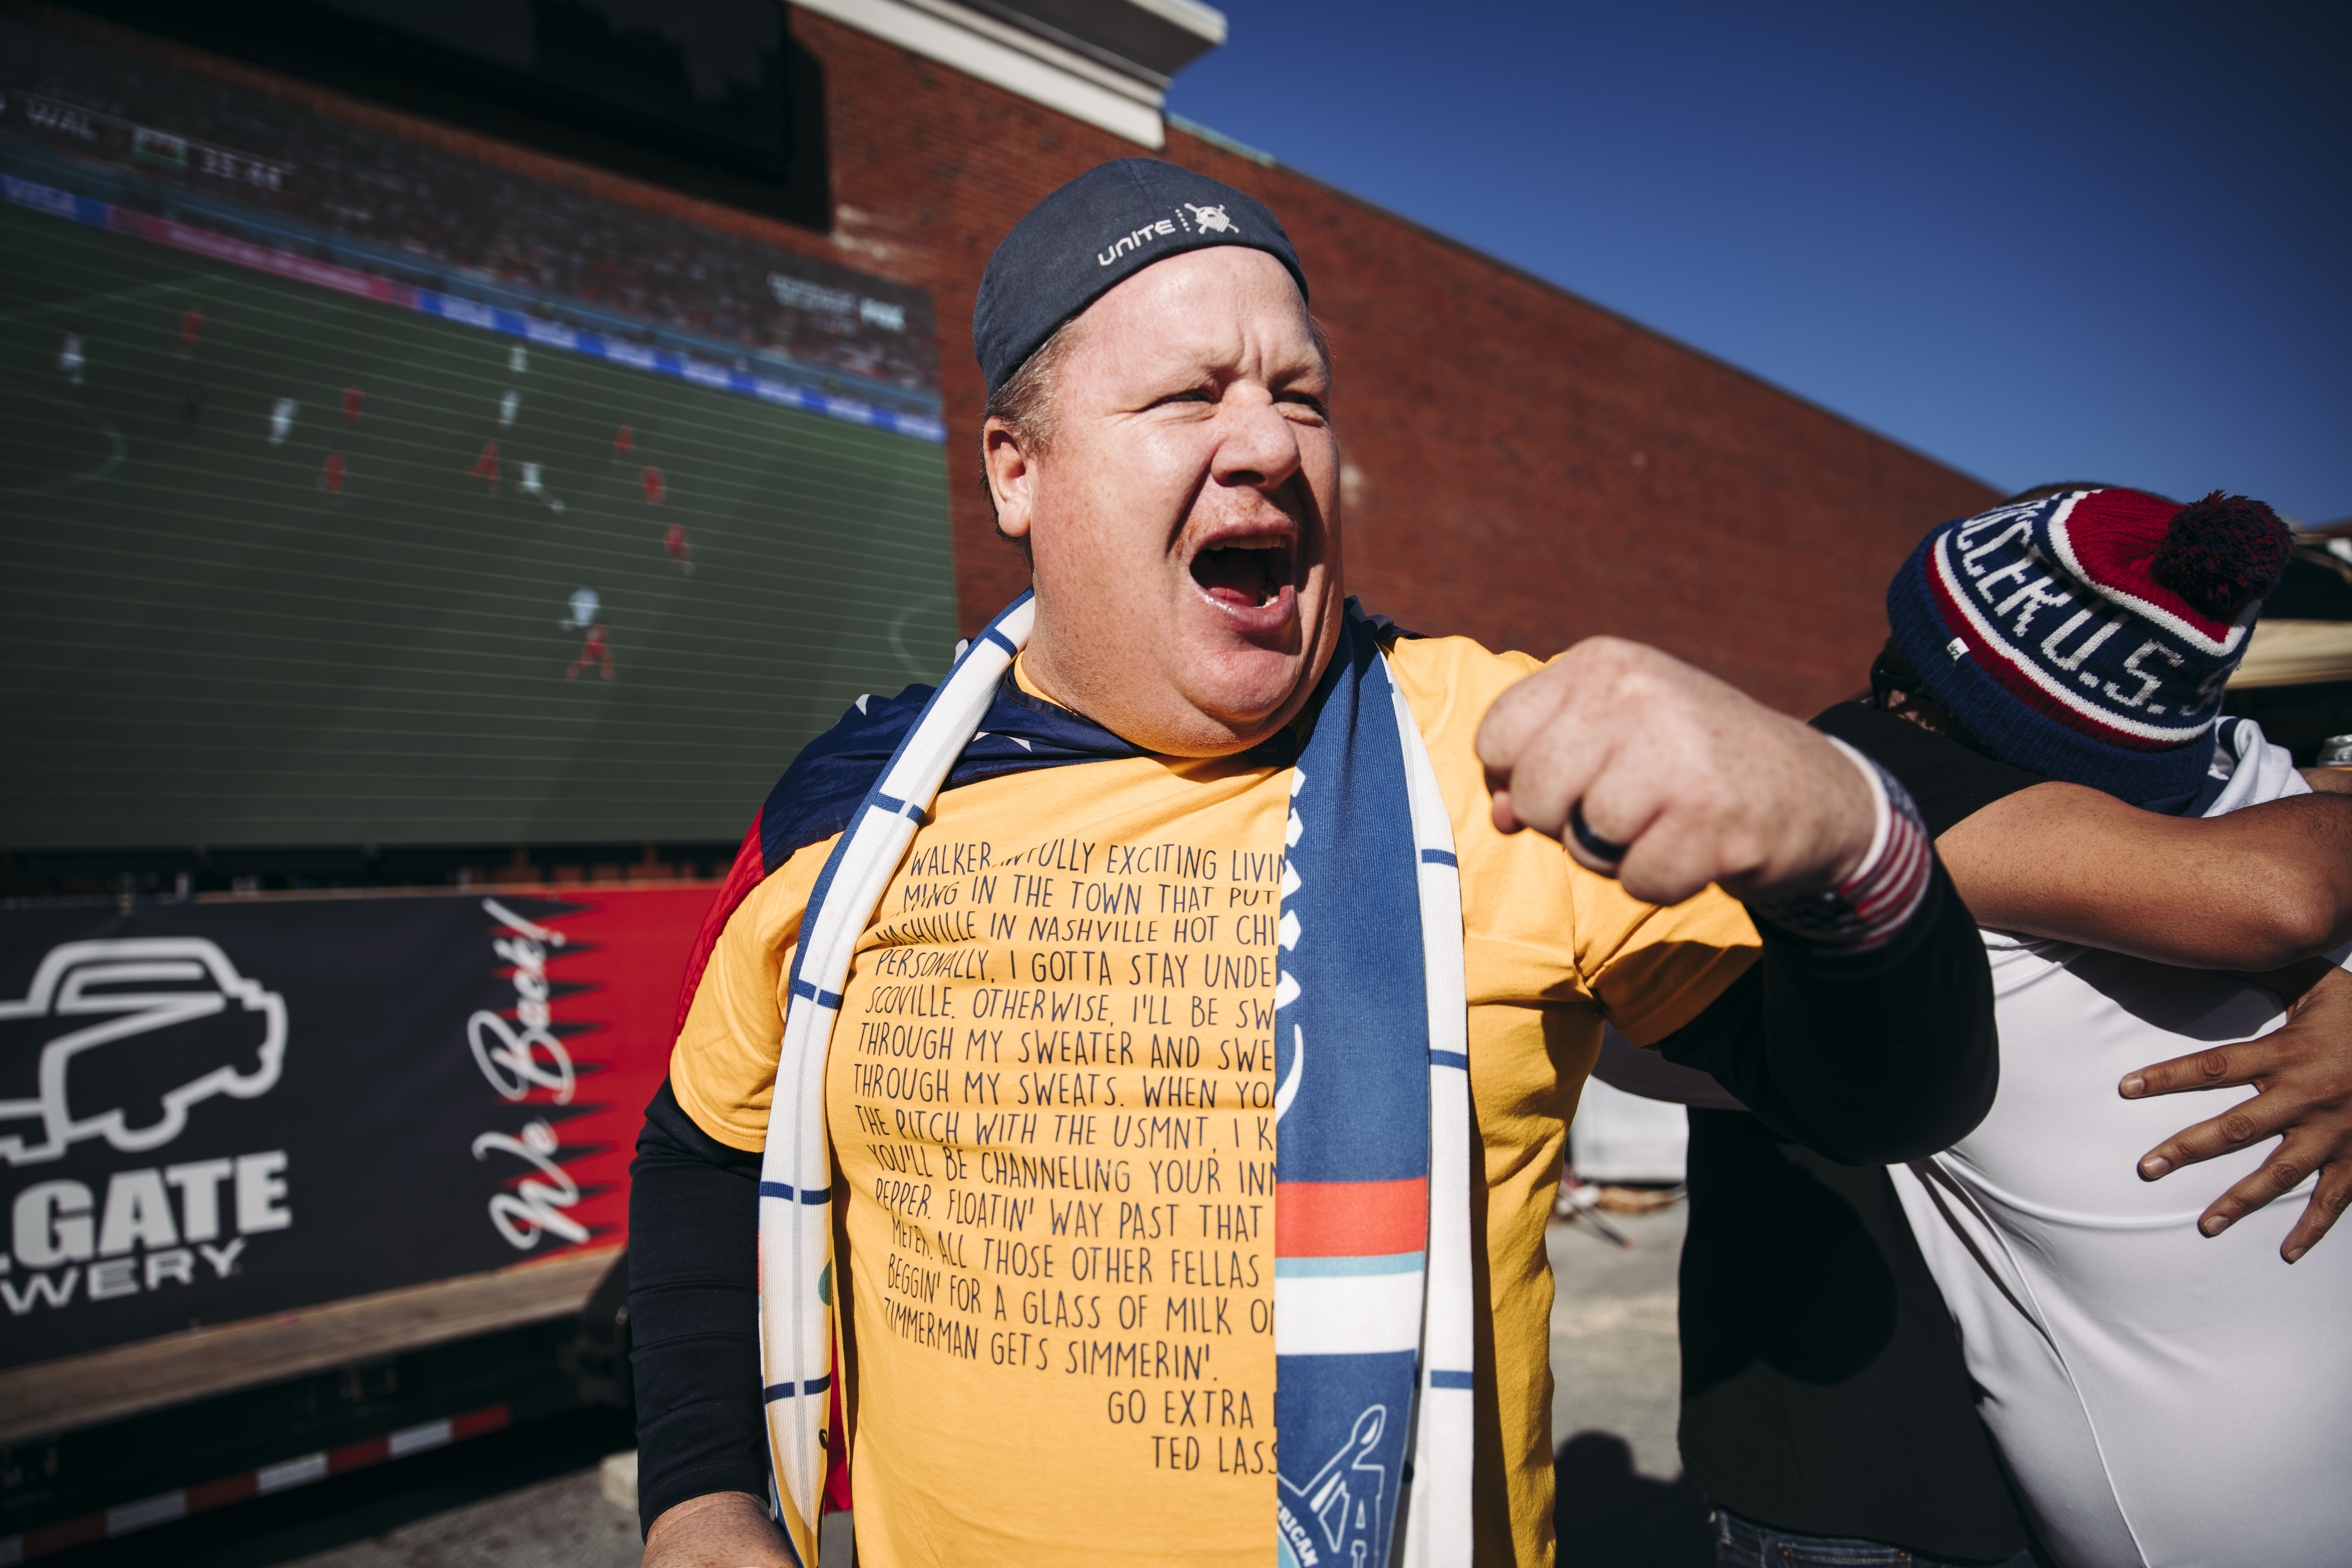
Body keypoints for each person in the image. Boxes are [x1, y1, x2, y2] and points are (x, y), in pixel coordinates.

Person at [628, 160, 2001, 1568]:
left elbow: (1887, 1098)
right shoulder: (850, 812)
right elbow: (700, 1154)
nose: (1271, 446)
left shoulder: (1488, 756)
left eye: (1302, 395)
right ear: (1016, 469)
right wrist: (699, 1497)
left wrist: (1858, 840)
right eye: (1190, 394)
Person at [1673, 485, 2352, 1568]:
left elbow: (2284, 887)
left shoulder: (1881, 781)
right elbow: (2285, 883)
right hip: (1864, 1446)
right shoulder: (1872, 798)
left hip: (1925, 1464)